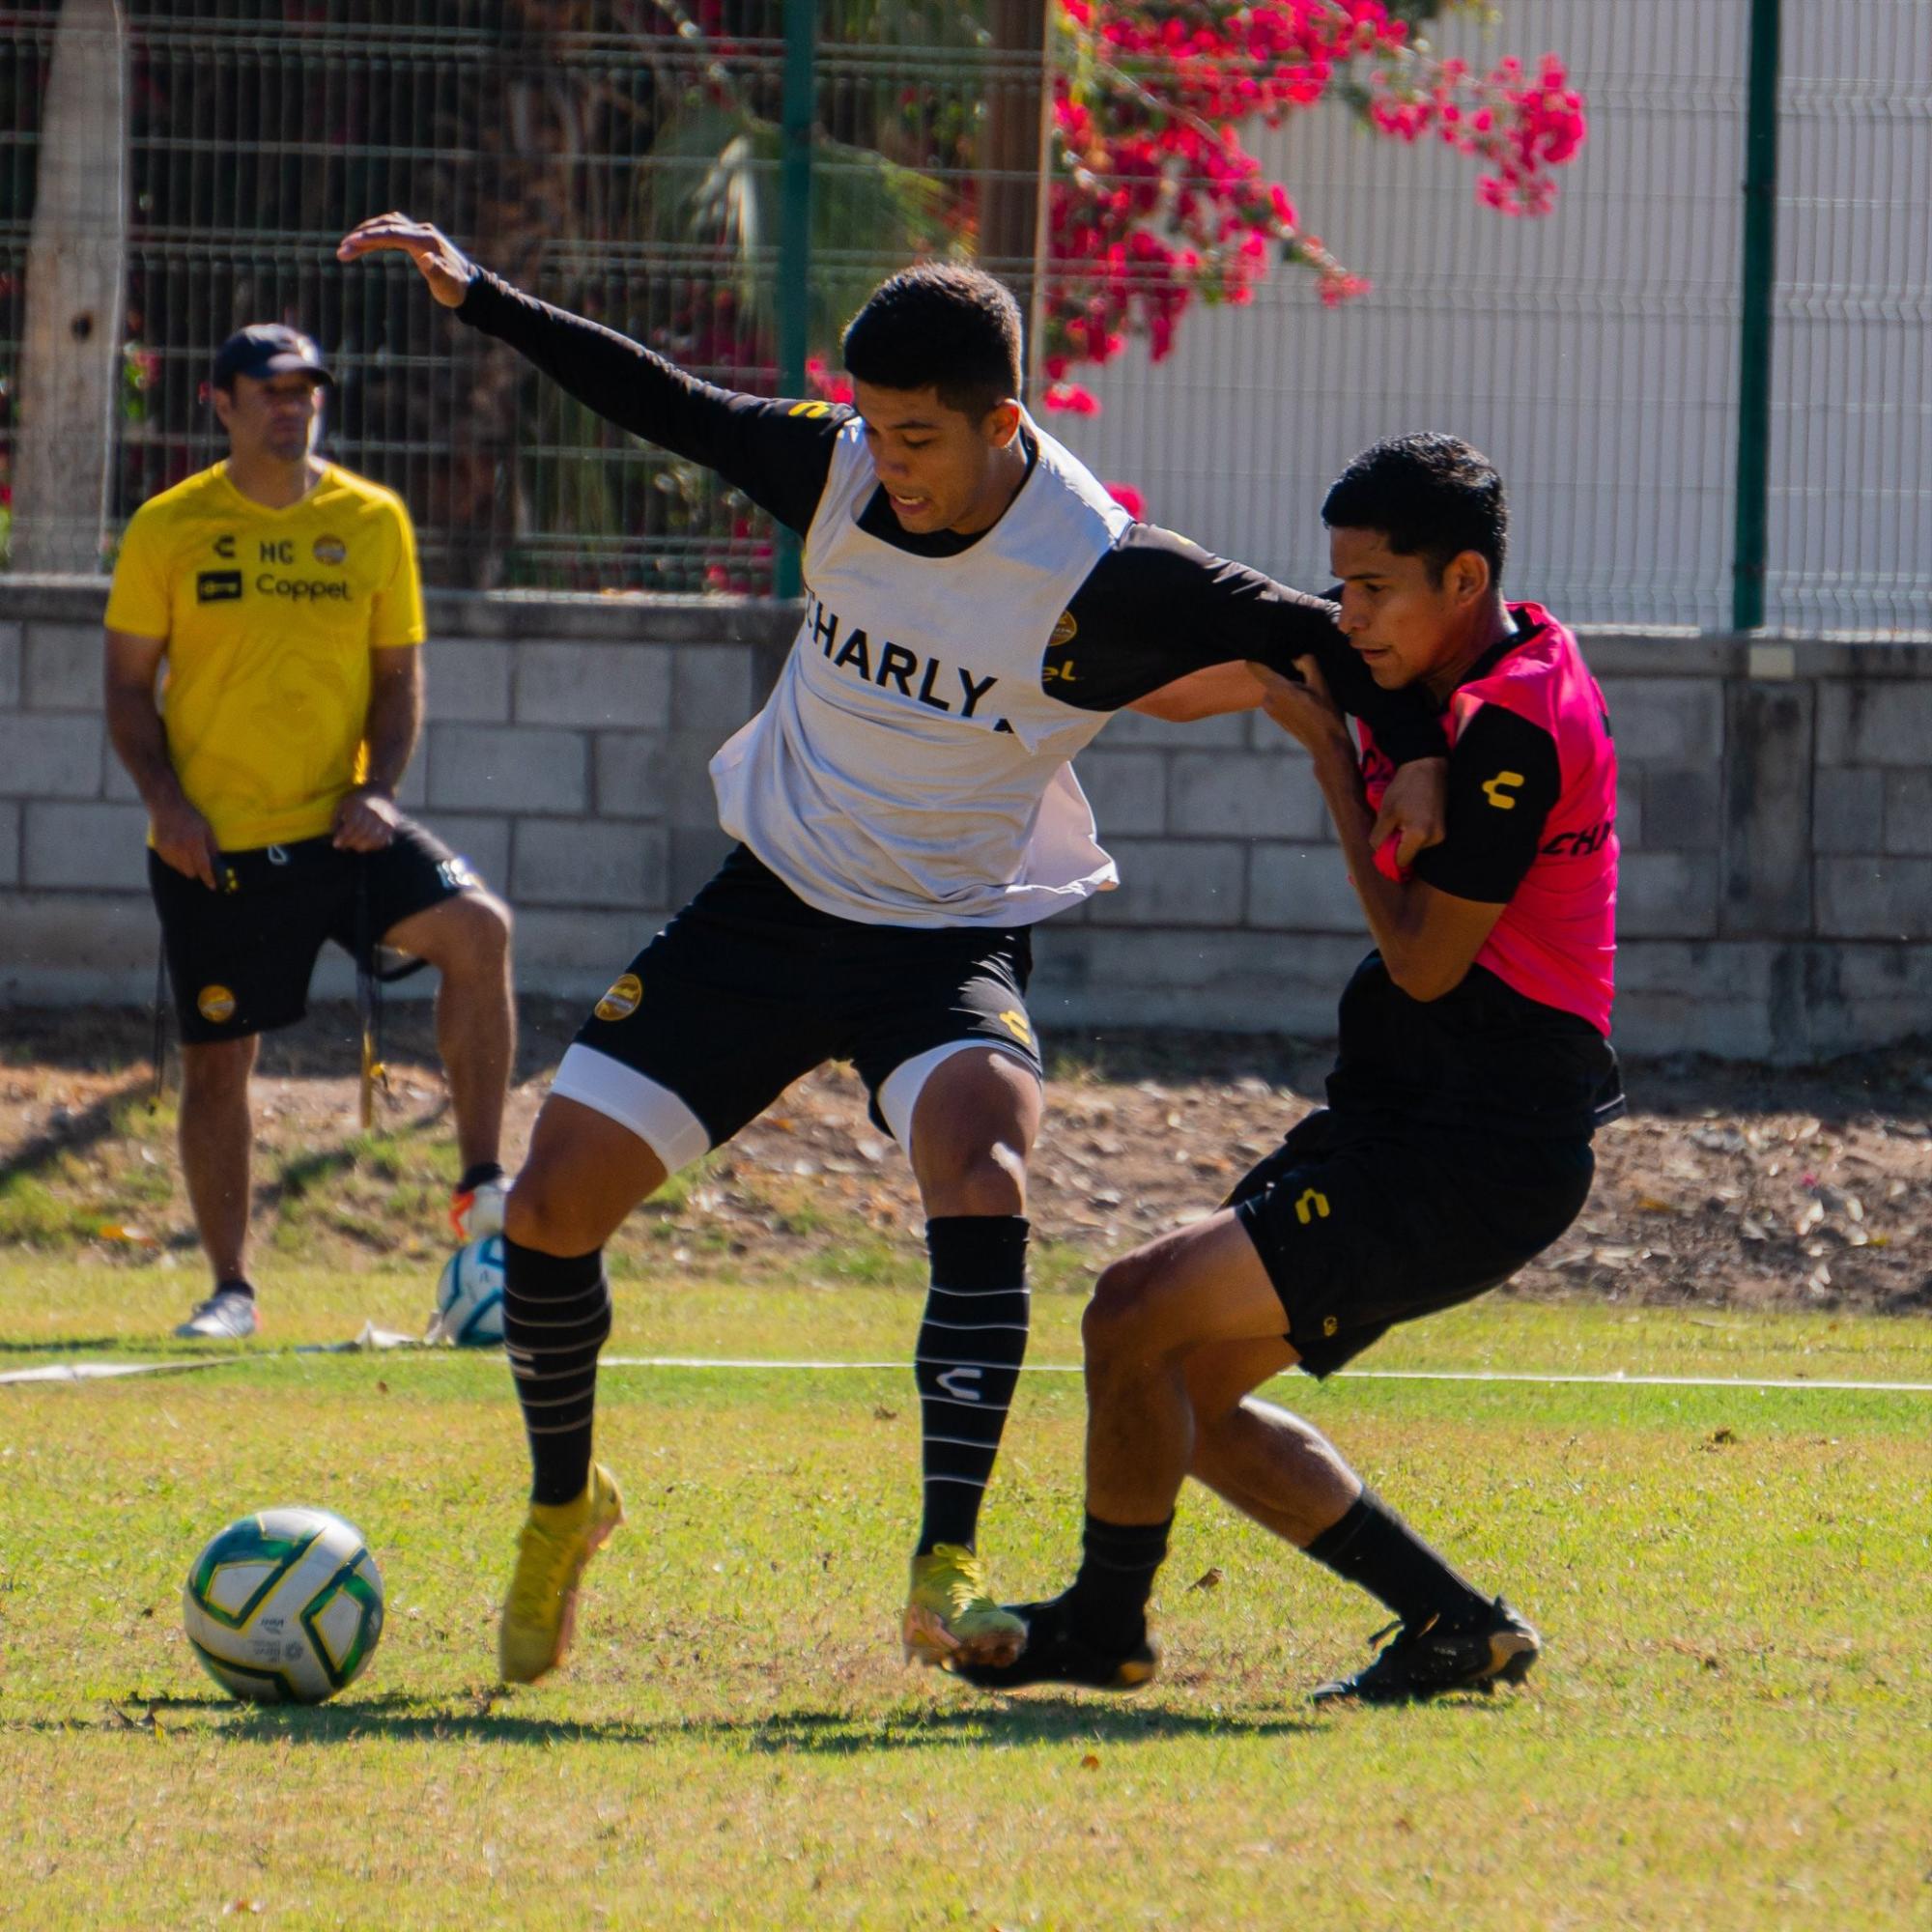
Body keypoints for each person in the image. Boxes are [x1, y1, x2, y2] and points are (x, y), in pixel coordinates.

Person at [337, 213, 1451, 1688]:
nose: (889, 463)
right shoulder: (838, 467)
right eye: (873, 426)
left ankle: (948, 1557)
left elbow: (1332, 636)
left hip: (944, 935)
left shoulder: (1101, 571)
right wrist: (481, 298)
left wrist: (1439, 747)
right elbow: (664, 400)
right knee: (544, 1216)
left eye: (919, 436)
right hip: (771, 909)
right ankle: (564, 1504)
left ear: (1006, 422)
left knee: (983, 1162)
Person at [954, 434, 1622, 1704]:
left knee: (1130, 1312)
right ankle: (1455, 1626)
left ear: (1463, 579)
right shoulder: (1439, 662)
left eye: (1374, 589)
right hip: (1405, 1108)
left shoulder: (1519, 729)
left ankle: (1106, 1624)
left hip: (1484, 1141)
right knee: (1179, 1392)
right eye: (1341, 585)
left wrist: (1332, 757)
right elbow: (1208, 673)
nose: (1345, 614)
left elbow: (1427, 964)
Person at [103, 324, 517, 1341]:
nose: (294, 405)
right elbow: (124, 687)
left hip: (345, 832)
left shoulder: (371, 520)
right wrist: (167, 803)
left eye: (308, 389)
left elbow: (396, 676)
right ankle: (231, 1288)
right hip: (215, 848)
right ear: (222, 404)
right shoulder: (169, 525)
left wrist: (381, 788)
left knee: (480, 929)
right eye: (272, 389)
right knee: (216, 1067)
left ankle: (480, 1186)